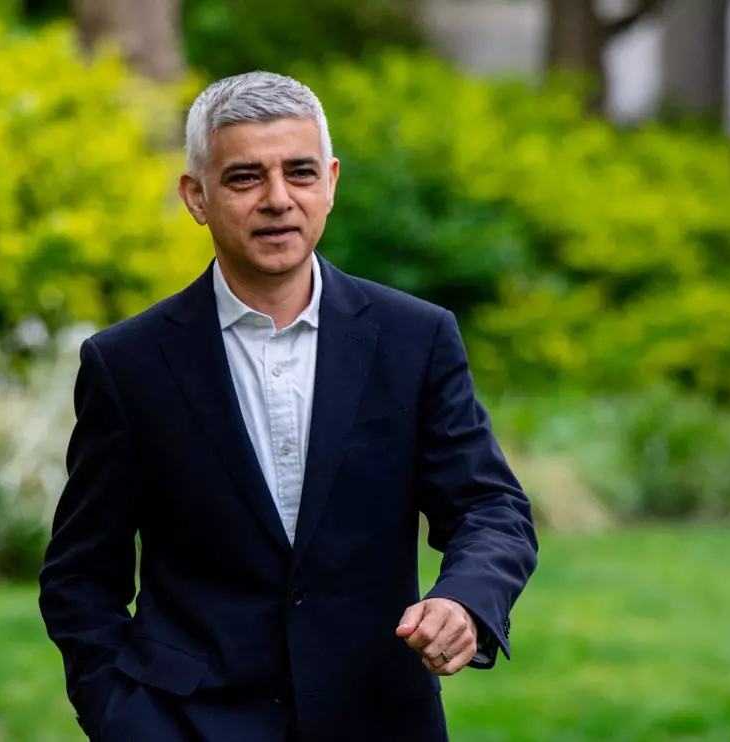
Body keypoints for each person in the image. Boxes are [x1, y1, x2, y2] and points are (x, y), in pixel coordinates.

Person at [37, 71, 539, 742]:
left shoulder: (415, 338)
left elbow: (488, 506)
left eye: (299, 173)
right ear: (196, 196)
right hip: (189, 724)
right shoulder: (127, 364)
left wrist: (464, 600)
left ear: (330, 181)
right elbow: (80, 577)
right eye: (245, 178)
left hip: (380, 719)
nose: (278, 200)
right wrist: (125, 721)